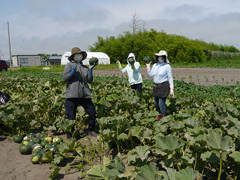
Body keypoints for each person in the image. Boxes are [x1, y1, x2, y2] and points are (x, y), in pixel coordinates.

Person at [62, 47, 98, 138]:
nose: (79, 56)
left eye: (80, 54)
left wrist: (90, 70)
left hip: (84, 94)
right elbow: (64, 79)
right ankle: (70, 135)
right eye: (77, 54)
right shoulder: (69, 66)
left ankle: (91, 130)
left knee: (92, 112)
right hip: (72, 95)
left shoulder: (84, 67)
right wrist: (72, 72)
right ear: (73, 56)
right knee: (71, 116)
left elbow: (89, 81)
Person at [146, 50, 174, 120]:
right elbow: (150, 75)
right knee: (156, 103)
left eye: (161, 57)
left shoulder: (167, 66)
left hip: (163, 86)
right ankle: (158, 113)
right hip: (156, 86)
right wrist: (148, 66)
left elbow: (170, 78)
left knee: (161, 103)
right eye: (158, 57)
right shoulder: (155, 65)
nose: (159, 58)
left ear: (164, 58)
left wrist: (172, 89)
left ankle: (163, 116)